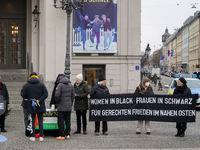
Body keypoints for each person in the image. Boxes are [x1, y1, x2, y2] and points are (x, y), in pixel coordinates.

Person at [21, 72, 48, 142]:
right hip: (40, 104)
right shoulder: (41, 84)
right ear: (36, 77)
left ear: (30, 77)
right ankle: (41, 136)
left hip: (31, 105)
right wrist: (38, 100)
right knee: (40, 121)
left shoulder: (26, 85)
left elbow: (23, 95)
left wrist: (30, 99)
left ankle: (32, 136)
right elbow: (45, 94)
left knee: (32, 120)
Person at [55, 74, 75, 140]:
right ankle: (68, 134)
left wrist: (58, 102)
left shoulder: (59, 85)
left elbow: (56, 95)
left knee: (61, 121)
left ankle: (62, 135)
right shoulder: (70, 85)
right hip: (68, 106)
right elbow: (73, 96)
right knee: (67, 120)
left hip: (61, 106)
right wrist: (70, 103)